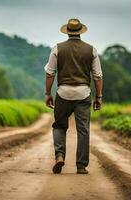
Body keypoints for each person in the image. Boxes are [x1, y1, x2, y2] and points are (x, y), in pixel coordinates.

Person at [44, 18, 103, 174]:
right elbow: (98, 76)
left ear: (68, 31)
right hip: (83, 94)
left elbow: (50, 73)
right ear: (80, 31)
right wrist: (99, 97)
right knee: (83, 130)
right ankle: (81, 166)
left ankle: (59, 155)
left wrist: (47, 94)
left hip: (63, 93)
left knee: (59, 126)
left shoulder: (57, 49)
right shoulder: (91, 50)